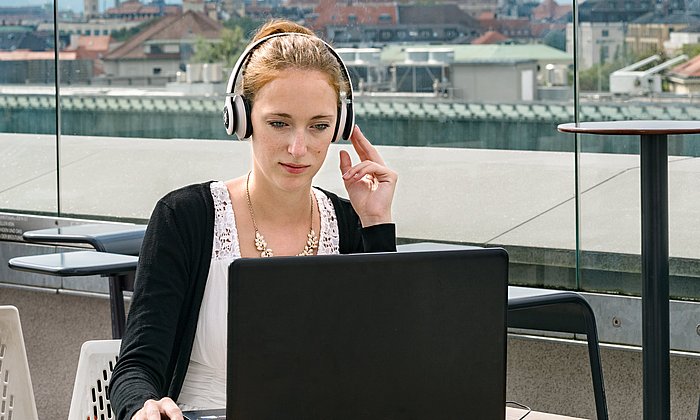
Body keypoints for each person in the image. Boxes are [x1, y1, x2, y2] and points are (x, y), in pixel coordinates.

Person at [108, 19, 398, 420]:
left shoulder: (349, 223)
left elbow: (388, 364)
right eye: (279, 123)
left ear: (339, 128)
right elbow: (136, 367)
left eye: (318, 126)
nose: (299, 148)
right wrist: (143, 407)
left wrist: (376, 223)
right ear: (240, 118)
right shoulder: (186, 218)